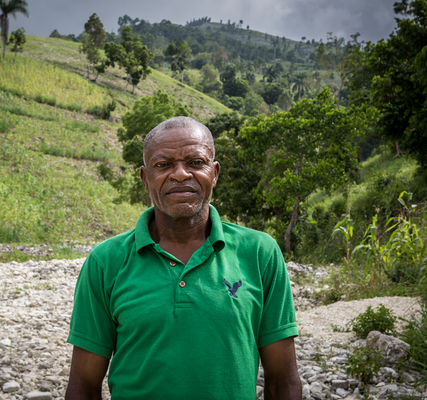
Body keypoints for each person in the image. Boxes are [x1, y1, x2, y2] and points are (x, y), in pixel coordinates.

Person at [65, 116, 301, 400]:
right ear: (144, 178)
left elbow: (283, 381)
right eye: (163, 165)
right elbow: (83, 385)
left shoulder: (259, 252)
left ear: (214, 173)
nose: (180, 174)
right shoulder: (106, 261)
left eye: (195, 162)